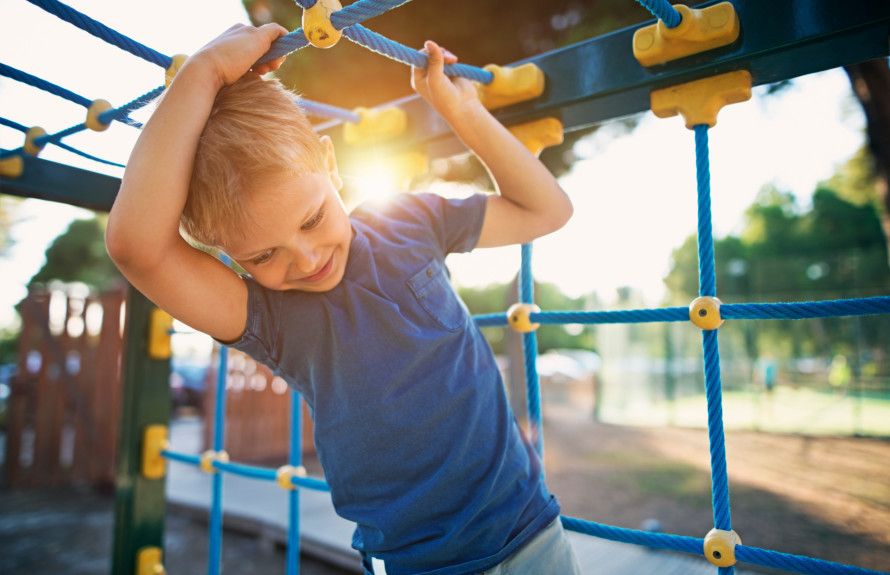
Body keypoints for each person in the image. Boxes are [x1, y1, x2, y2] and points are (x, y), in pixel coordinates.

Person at [106, 23, 578, 575]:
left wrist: (464, 113)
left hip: (531, 528)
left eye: (312, 219)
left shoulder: (408, 222)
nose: (306, 260)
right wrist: (202, 72)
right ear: (231, 257)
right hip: (424, 564)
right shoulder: (273, 319)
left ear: (329, 165)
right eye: (263, 256)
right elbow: (137, 247)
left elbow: (547, 211)